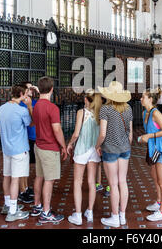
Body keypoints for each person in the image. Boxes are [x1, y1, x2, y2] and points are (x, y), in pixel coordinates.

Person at [0, 84, 33, 222]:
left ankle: (7, 206)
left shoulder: (2, 108)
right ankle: (13, 211)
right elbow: (31, 123)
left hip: (6, 149)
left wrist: (0, 130)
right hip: (19, 150)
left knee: (7, 177)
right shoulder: (21, 110)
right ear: (20, 94)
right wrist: (30, 106)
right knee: (15, 179)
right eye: (26, 93)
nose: (27, 96)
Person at [95, 81, 133, 228]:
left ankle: (114, 216)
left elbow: (102, 134)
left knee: (113, 183)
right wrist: (126, 144)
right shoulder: (128, 108)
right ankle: (122, 216)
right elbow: (130, 134)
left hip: (110, 150)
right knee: (123, 182)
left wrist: (97, 146)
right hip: (125, 149)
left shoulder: (105, 109)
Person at [30, 76, 67, 224]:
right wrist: (63, 146)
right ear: (52, 89)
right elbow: (57, 130)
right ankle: (46, 212)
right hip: (49, 148)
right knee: (49, 180)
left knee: (39, 177)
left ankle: (37, 206)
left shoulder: (36, 105)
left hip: (38, 146)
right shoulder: (52, 108)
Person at [66, 90, 102, 225]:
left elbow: (76, 134)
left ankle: (78, 214)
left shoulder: (81, 112)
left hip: (81, 149)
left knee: (77, 182)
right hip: (94, 150)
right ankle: (90, 212)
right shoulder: (100, 113)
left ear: (87, 100)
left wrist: (70, 144)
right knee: (92, 182)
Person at [139, 89, 162, 222]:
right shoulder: (145, 113)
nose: (141, 99)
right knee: (155, 178)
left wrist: (149, 136)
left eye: (143, 97)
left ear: (150, 99)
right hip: (154, 150)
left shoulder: (156, 113)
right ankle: (159, 202)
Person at [18, 81, 38, 204]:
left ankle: (26, 187)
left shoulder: (34, 102)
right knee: (22, 166)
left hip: (35, 136)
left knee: (28, 166)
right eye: (29, 88)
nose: (31, 89)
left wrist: (39, 92)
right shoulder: (20, 104)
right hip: (26, 138)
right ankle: (22, 190)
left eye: (32, 87)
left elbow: (46, 104)